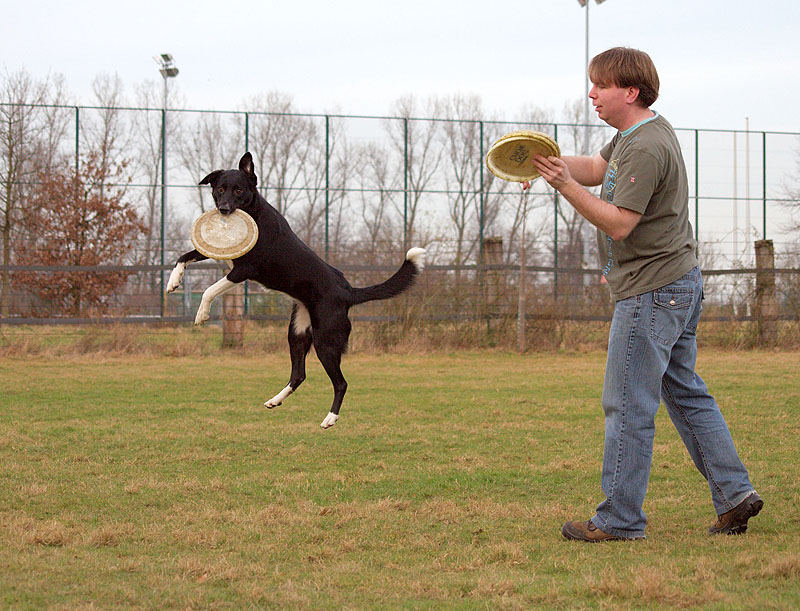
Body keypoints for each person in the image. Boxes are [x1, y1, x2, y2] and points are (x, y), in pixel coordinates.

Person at [525, 47, 762, 541]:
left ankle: (618, 520)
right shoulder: (633, 135)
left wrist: (565, 187)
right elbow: (593, 166)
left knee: (628, 406)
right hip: (675, 284)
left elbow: (620, 223)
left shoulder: (647, 147)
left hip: (654, 293)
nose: (591, 94)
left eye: (600, 86)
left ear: (630, 92)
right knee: (686, 394)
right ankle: (735, 494)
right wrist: (543, 164)